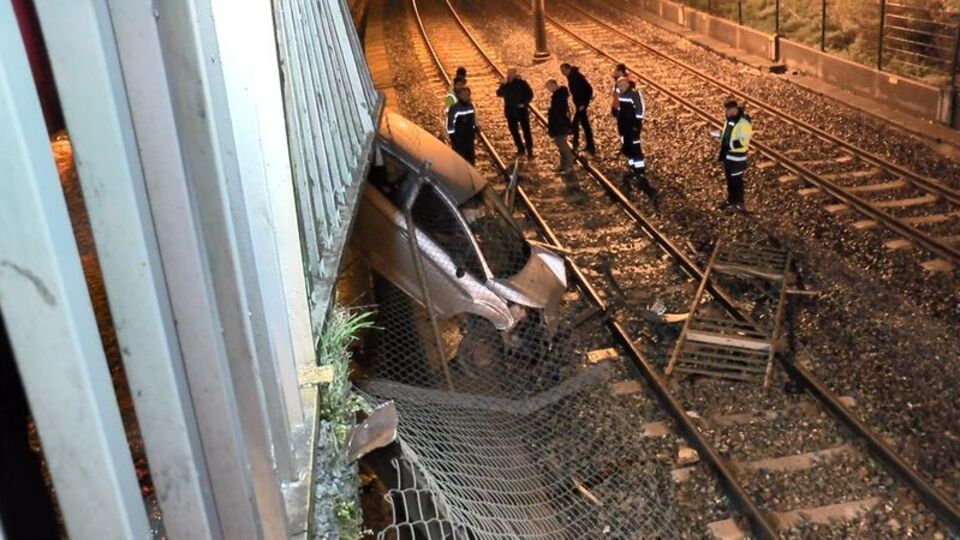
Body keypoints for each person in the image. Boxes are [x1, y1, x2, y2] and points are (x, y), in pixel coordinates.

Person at [612, 77, 656, 200]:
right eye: (618, 86)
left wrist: (637, 124)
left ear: (627, 84)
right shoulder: (620, 94)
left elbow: (640, 109)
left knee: (635, 146)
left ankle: (639, 169)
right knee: (625, 144)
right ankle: (631, 164)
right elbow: (617, 109)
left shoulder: (634, 94)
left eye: (621, 85)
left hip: (632, 125)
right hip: (623, 125)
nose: (619, 88)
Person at [715, 99, 752, 212]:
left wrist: (727, 143)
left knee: (736, 180)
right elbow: (727, 135)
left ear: (737, 109)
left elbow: (743, 141)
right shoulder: (729, 121)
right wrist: (719, 136)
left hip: (737, 158)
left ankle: (739, 203)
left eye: (732, 111)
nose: (730, 113)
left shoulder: (743, 123)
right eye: (727, 111)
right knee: (730, 180)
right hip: (728, 157)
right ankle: (731, 200)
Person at [496, 68, 535, 158]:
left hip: (521, 110)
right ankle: (520, 148)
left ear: (515, 74)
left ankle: (529, 150)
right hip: (510, 111)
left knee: (526, 131)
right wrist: (503, 85)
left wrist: (524, 103)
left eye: (511, 73)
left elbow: (530, 94)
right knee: (514, 131)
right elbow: (499, 93)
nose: (509, 75)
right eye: (508, 73)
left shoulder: (522, 83)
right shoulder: (506, 84)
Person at [560, 63, 596, 155]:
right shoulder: (572, 76)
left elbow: (588, 89)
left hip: (581, 104)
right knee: (584, 124)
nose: (562, 73)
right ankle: (590, 145)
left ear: (568, 69)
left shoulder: (575, 77)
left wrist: (584, 103)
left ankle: (576, 144)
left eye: (563, 71)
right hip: (579, 104)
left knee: (575, 123)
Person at [545, 78, 575, 173]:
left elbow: (560, 112)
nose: (548, 89)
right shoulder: (559, 95)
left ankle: (569, 166)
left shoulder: (558, 96)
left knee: (563, 145)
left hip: (560, 124)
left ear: (553, 85)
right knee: (560, 145)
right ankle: (563, 165)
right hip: (559, 124)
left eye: (548, 87)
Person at [447, 86, 477, 164]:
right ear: (460, 95)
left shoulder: (471, 106)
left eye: (467, 94)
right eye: (464, 94)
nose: (466, 96)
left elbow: (472, 120)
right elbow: (450, 124)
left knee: (470, 160)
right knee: (460, 160)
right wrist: (453, 138)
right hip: (459, 138)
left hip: (469, 138)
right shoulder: (455, 108)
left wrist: (474, 130)